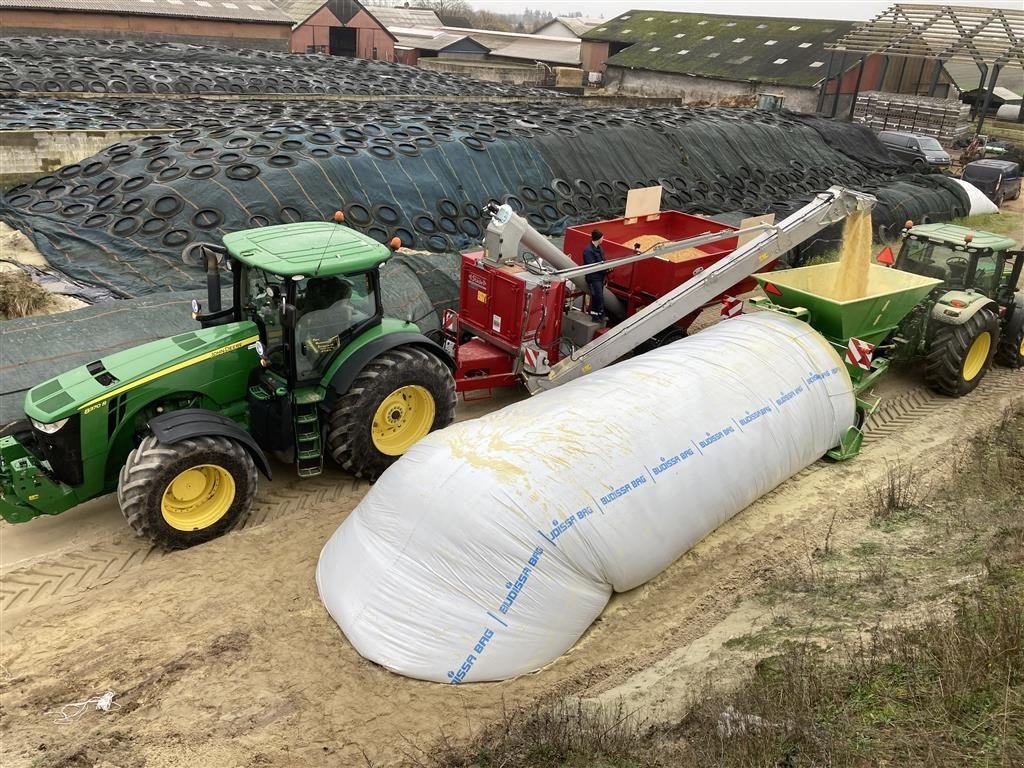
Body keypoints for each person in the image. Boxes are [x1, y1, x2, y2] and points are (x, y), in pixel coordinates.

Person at [582, 229, 607, 321]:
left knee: (599, 297)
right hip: (593, 278)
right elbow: (591, 265)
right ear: (599, 238)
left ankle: (600, 314)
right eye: (602, 237)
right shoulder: (588, 250)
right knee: (597, 296)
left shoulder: (598, 249)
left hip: (599, 277)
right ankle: (595, 316)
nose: (603, 239)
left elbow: (602, 261)